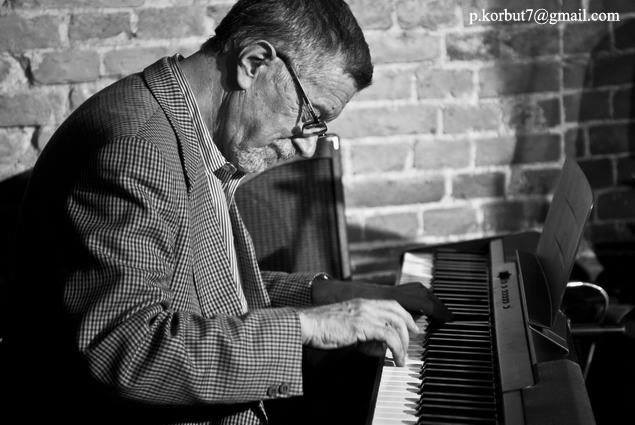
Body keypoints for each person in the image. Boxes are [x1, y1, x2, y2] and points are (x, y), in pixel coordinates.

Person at [6, 0, 450, 424]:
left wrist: (328, 296)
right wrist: (307, 327)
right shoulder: (138, 149)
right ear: (254, 63)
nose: (308, 145)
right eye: (312, 115)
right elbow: (125, 345)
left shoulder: (188, 129)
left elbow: (202, 290)